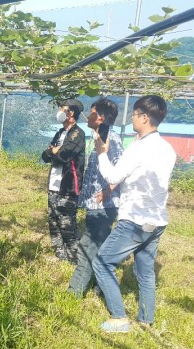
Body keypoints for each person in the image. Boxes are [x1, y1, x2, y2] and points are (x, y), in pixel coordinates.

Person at [93, 95, 176, 333]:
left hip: (135, 220)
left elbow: (113, 177)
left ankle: (119, 318)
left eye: (135, 114)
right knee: (145, 271)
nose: (132, 118)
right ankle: (146, 319)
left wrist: (101, 153)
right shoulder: (167, 149)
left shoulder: (138, 148)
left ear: (145, 117)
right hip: (157, 220)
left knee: (102, 262)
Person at [68, 98, 124, 297]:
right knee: (99, 247)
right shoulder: (100, 136)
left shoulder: (111, 140)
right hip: (97, 204)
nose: (88, 116)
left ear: (101, 117)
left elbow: (121, 171)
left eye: (92, 113)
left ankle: (74, 292)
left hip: (104, 205)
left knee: (88, 246)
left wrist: (107, 192)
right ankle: (101, 288)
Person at [41, 99, 86, 263]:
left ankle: (74, 259)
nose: (59, 111)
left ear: (71, 113)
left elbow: (64, 155)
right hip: (54, 184)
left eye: (63, 108)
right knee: (53, 221)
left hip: (68, 186)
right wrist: (54, 151)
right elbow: (45, 156)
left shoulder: (77, 134)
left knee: (67, 224)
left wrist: (55, 151)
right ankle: (60, 255)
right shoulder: (60, 133)